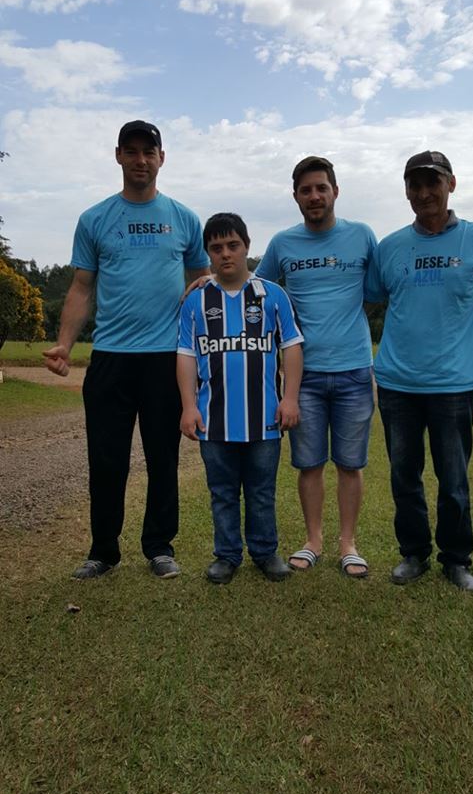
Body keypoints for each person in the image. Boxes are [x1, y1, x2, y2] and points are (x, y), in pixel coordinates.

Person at [44, 120, 210, 580]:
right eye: (132, 151)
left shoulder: (184, 218)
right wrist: (64, 343)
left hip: (165, 359)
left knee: (163, 457)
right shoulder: (95, 219)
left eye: (148, 152)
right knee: (107, 458)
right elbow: (81, 288)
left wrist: (203, 348)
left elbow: (200, 284)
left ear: (162, 157)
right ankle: (103, 551)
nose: (141, 160)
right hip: (111, 358)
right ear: (118, 155)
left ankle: (160, 547)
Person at [365, 150, 473, 591]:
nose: (425, 192)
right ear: (406, 191)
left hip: (454, 386)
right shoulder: (389, 248)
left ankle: (456, 558)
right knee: (403, 477)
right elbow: (362, 303)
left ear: (452, 184)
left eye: (434, 182)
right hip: (396, 385)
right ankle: (413, 555)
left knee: (454, 480)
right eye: (416, 184)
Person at [256, 157, 377, 578]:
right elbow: (256, 292)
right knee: (308, 463)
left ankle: (348, 544)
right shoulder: (282, 244)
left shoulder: (362, 237)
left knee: (349, 463)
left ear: (335, 192)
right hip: (302, 377)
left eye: (321, 188)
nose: (314, 196)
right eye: (305, 190)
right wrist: (210, 281)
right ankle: (313, 541)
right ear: (296, 196)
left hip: (354, 370)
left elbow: (379, 290)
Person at [177, 212, 304, 584]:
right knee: (222, 493)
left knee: (262, 492)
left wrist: (291, 398)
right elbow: (185, 356)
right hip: (214, 420)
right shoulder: (196, 301)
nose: (225, 254)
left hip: (264, 418)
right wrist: (188, 406)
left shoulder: (272, 295)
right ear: (208, 254)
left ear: (247, 247)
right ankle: (227, 555)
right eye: (216, 248)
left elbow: (292, 347)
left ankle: (265, 553)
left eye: (233, 245)